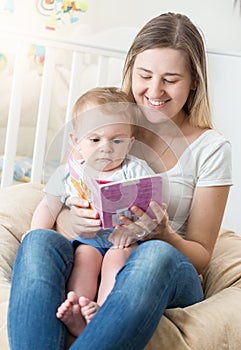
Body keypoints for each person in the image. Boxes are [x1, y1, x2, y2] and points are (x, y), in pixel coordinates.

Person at [8, 12, 232, 350]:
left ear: (194, 82)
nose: (154, 91)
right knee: (38, 241)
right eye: (145, 75)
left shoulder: (211, 147)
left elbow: (201, 255)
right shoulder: (109, 126)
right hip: (94, 252)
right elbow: (63, 194)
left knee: (153, 253)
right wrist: (73, 221)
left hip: (164, 269)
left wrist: (164, 234)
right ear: (131, 71)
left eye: (170, 79)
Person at [27, 86, 155, 336]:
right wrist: (35, 233)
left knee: (116, 261)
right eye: (95, 140)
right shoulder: (69, 173)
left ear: (130, 143)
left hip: (123, 240)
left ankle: (104, 312)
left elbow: (154, 208)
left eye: (116, 140)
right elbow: (48, 205)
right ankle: (78, 306)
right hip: (88, 239)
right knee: (85, 259)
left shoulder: (136, 169)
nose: (105, 148)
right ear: (77, 142)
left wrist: (140, 226)